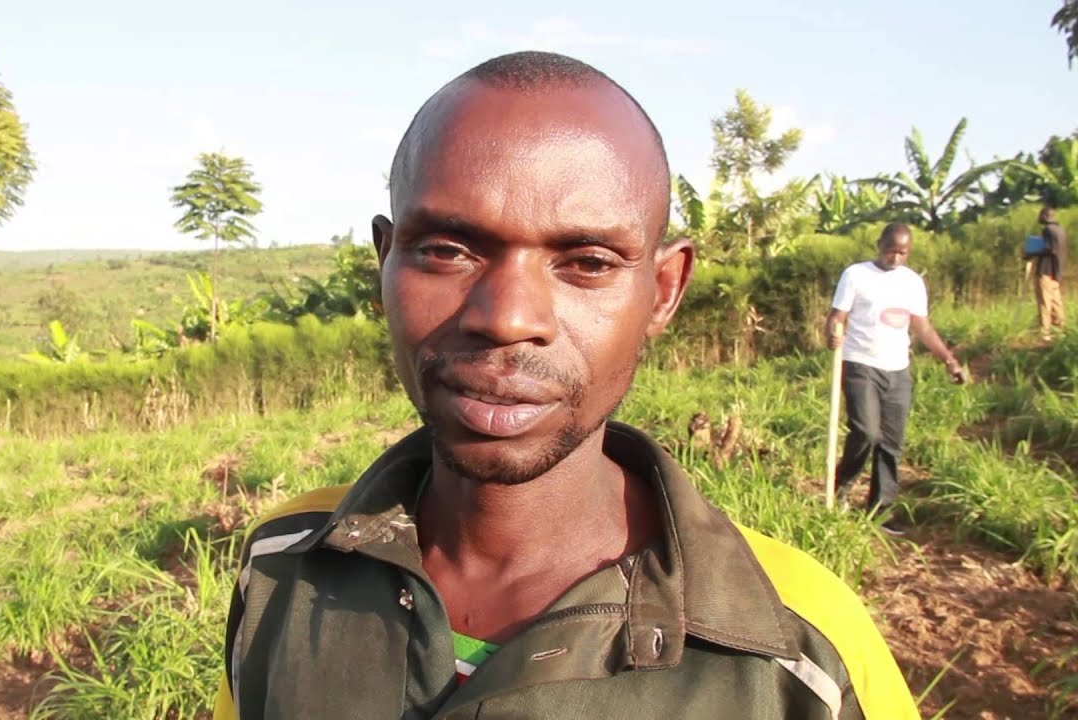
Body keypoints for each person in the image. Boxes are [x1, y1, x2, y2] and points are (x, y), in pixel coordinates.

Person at [216, 51, 919, 719]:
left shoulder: (802, 652)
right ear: (385, 261)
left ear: (665, 291)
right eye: (446, 251)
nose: (508, 319)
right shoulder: (283, 565)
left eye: (586, 262)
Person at [824, 223, 965, 535]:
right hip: (861, 365)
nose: (896, 257)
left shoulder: (912, 282)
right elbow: (837, 316)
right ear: (879, 245)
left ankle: (880, 510)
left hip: (898, 370)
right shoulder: (856, 275)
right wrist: (832, 334)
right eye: (891, 250)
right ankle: (842, 487)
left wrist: (949, 360)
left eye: (903, 252)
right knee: (866, 432)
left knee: (891, 444)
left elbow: (923, 327)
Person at [1034, 206, 1067, 340]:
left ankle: (1045, 332)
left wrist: (1033, 251)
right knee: (1056, 302)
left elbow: (1049, 249)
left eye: (1040, 215)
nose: (1039, 218)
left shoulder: (1047, 230)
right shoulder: (1061, 230)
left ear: (1046, 216)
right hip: (1056, 272)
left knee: (1044, 302)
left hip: (1045, 271)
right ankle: (1061, 330)